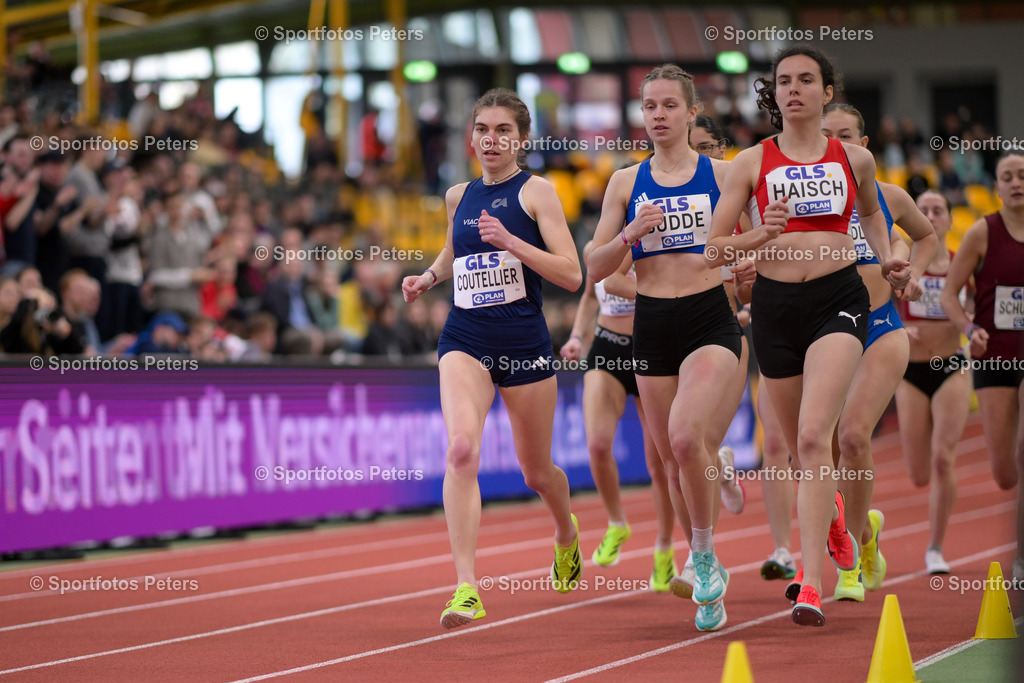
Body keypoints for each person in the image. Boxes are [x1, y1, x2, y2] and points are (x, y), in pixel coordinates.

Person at [706, 44, 912, 626]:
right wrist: (759, 235)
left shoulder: (854, 160)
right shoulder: (751, 163)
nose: (793, 89)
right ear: (775, 94)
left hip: (838, 300)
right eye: (784, 81)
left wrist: (887, 257)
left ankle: (813, 581)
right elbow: (714, 247)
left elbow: (873, 216)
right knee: (799, 448)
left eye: (806, 80)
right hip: (775, 305)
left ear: (827, 92)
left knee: (818, 435)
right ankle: (838, 519)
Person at [401, 88, 583, 629]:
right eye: (483, 129)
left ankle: (566, 531)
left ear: (521, 140)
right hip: (465, 337)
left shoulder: (538, 193)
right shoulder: (460, 194)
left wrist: (512, 243)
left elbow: (572, 275)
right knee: (461, 450)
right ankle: (465, 587)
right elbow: (458, 247)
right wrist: (430, 277)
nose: (491, 139)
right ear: (472, 136)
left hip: (525, 344)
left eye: (503, 130)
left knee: (537, 472)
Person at [588, 65, 749, 632]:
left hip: (710, 318)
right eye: (649, 106)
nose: (657, 115)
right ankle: (707, 571)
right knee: (674, 462)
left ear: (690, 111)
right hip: (651, 324)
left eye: (668, 106)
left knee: (684, 438)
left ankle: (701, 556)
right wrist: (631, 234)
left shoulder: (727, 175)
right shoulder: (625, 183)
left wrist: (748, 267)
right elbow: (597, 268)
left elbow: (758, 248)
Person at [821, 103, 937, 603]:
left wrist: (913, 272)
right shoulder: (808, 204)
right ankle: (861, 530)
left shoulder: (887, 196)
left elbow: (927, 236)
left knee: (852, 436)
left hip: (880, 327)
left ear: (864, 146)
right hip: (822, 330)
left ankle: (852, 562)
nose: (837, 146)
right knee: (818, 450)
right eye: (827, 137)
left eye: (846, 137)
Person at [559, 243, 678, 592]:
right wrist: (577, 337)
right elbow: (590, 297)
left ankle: (664, 547)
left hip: (651, 346)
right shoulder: (594, 250)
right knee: (596, 444)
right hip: (607, 347)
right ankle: (616, 522)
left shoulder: (656, 241)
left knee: (660, 464)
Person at [940, 151, 1024, 584]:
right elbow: (949, 295)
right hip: (994, 357)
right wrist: (968, 327)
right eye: (1007, 177)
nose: (1016, 183)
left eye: (1023, 175)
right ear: (996, 187)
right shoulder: (981, 232)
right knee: (1005, 473)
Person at [895, 190, 973, 574]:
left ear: (948, 219)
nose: (929, 214)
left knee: (944, 459)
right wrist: (898, 328)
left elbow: (980, 308)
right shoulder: (901, 263)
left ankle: (936, 548)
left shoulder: (963, 266)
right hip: (908, 372)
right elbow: (876, 304)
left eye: (937, 210)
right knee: (919, 472)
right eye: (922, 209)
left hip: (951, 368)